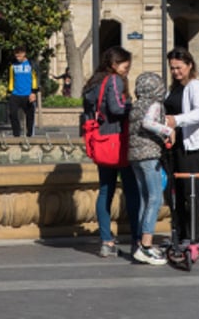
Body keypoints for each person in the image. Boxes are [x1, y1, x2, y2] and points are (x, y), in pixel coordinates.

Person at [82, 46, 140, 258]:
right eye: (126, 65)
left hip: (102, 143)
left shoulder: (93, 83)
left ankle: (106, 241)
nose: (127, 69)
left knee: (105, 190)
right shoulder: (114, 80)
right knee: (132, 191)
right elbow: (116, 108)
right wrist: (134, 108)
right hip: (118, 141)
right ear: (115, 64)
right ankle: (137, 239)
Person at [164, 48, 199, 252]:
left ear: (189, 65)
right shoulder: (174, 88)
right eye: (172, 68)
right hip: (173, 146)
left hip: (191, 147)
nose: (175, 72)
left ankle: (193, 236)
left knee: (190, 192)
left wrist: (177, 120)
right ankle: (179, 233)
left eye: (179, 68)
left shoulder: (195, 86)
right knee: (175, 192)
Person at [127, 71, 174, 265]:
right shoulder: (155, 104)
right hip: (149, 155)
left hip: (135, 157)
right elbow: (148, 123)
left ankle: (139, 243)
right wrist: (168, 130)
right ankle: (146, 246)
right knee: (155, 197)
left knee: (145, 199)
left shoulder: (136, 104)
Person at [5, 47, 39, 137]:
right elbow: (11, 79)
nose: (17, 56)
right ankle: (16, 134)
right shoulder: (13, 65)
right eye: (15, 53)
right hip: (15, 94)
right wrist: (9, 91)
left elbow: (35, 79)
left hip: (28, 94)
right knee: (12, 114)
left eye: (19, 53)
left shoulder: (31, 64)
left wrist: (33, 92)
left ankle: (29, 134)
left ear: (24, 53)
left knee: (30, 116)